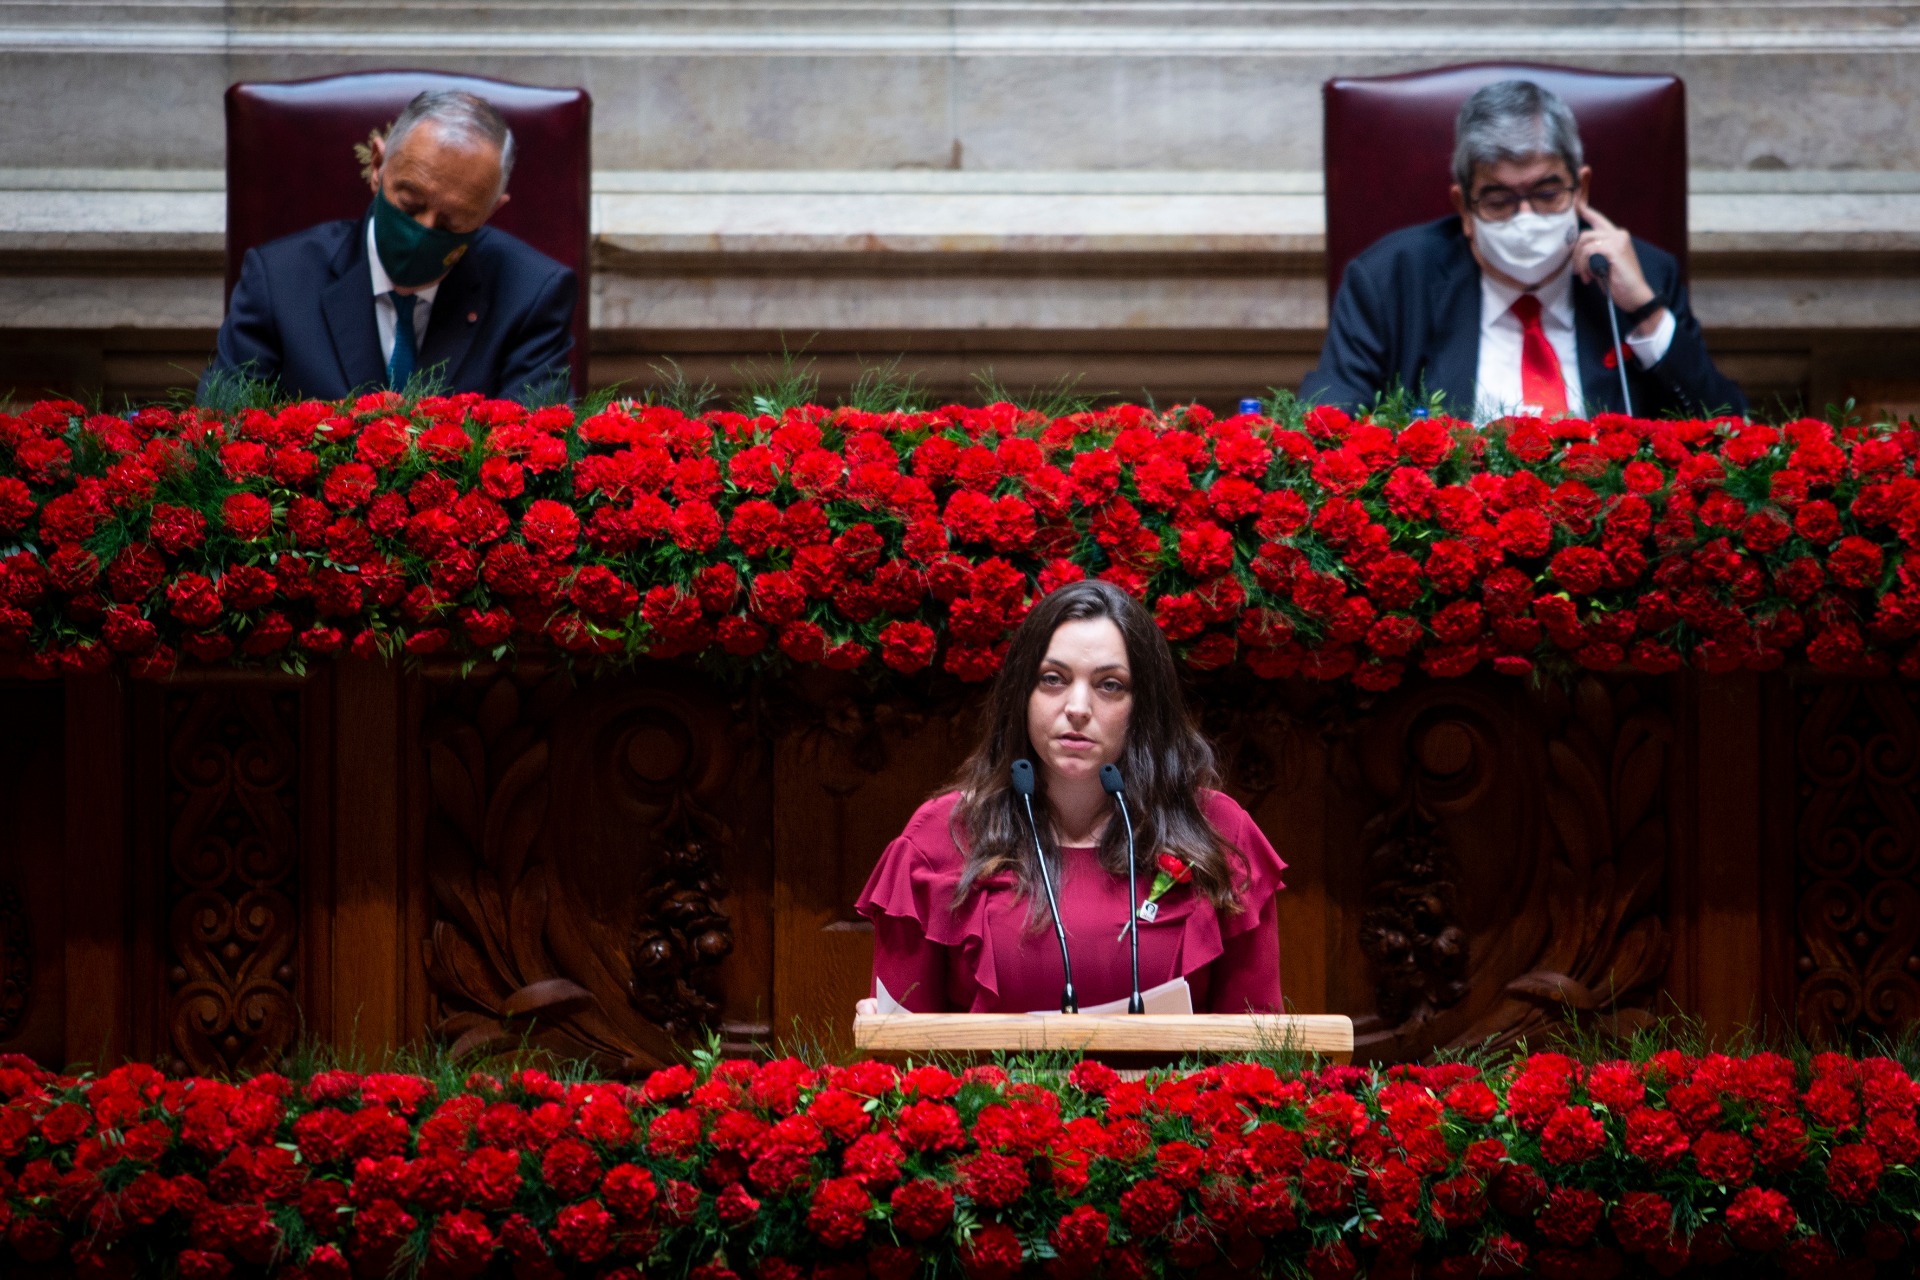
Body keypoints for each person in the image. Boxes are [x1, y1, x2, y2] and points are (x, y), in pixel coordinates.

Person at [855, 580, 1285, 1014]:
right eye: (1053, 680)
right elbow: (905, 1059)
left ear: (1144, 706)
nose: (1078, 707)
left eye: (1110, 685)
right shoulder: (940, 838)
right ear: (1020, 695)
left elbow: (1257, 1051)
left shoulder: (1217, 831)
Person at [1301, 79, 1745, 422]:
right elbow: (1325, 426)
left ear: (1581, 187)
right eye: (1498, 200)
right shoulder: (1391, 282)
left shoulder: (1645, 274)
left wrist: (1645, 312)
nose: (1526, 219)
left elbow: (1729, 432)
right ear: (1465, 208)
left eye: (1547, 193)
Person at [199, 90, 575, 405]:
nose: (423, 232)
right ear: (378, 165)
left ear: (492, 211)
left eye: (451, 221)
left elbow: (534, 462)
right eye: (410, 204)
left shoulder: (533, 296)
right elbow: (221, 443)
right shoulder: (278, 281)